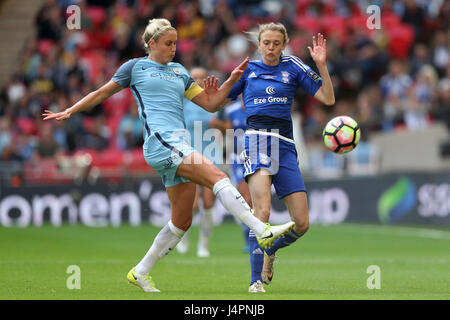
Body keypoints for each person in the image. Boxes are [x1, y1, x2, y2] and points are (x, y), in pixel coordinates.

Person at [42, 18, 295, 293]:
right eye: (168, 43)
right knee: (217, 175)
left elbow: (210, 105)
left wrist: (230, 83)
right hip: (160, 142)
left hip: (178, 144)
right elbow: (101, 92)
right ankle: (263, 230)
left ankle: (140, 271)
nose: (174, 48)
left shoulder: (179, 71)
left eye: (175, 43)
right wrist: (70, 110)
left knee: (182, 221)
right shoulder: (135, 67)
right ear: (152, 44)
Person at [226, 23, 335, 293]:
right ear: (259, 43)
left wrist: (321, 64)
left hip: (285, 146)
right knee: (261, 212)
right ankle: (255, 281)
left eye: (276, 43)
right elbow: (219, 99)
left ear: (284, 44)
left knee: (302, 223)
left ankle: (271, 249)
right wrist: (217, 85)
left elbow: (328, 98)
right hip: (255, 140)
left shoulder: (294, 66)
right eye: (266, 43)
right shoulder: (247, 69)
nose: (271, 48)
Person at [177, 66, 221, 258]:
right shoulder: (184, 102)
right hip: (191, 155)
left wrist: (218, 125)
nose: (198, 80)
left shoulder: (213, 100)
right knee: (193, 205)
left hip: (211, 155)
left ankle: (204, 245)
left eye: (202, 77)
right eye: (194, 77)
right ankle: (184, 236)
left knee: (209, 202)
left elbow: (227, 126)